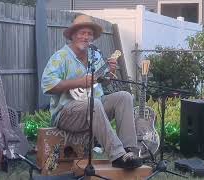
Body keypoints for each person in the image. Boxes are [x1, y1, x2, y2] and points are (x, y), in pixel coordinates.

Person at [41, 14, 142, 169]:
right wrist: (78, 82)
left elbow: (103, 82)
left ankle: (129, 150)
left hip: (94, 107)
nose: (86, 37)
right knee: (93, 104)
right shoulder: (60, 57)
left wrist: (109, 73)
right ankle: (117, 155)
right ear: (73, 35)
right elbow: (47, 85)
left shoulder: (95, 55)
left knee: (124, 96)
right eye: (82, 33)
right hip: (67, 113)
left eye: (89, 34)